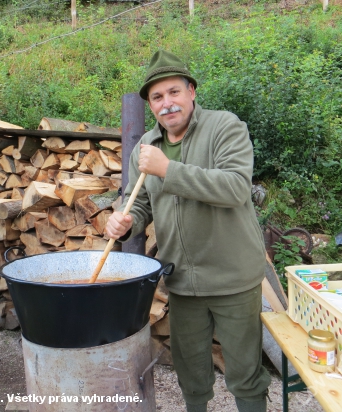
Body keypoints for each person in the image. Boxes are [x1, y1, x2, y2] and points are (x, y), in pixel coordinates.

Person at [105, 51, 271, 412]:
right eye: (157, 97)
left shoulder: (225, 127)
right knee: (191, 374)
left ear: (192, 91)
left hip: (233, 279)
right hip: (182, 281)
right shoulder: (146, 149)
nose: (167, 104)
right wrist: (124, 218)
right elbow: (141, 202)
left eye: (174, 92)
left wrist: (169, 169)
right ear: (150, 105)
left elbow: (235, 188)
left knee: (245, 375)